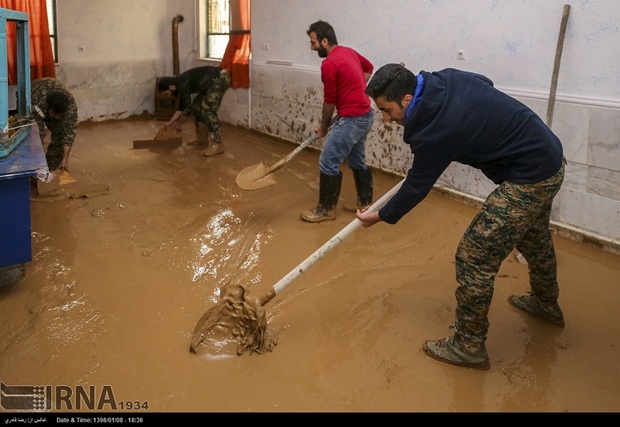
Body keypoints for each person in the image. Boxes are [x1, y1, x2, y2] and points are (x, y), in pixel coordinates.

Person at [359, 63, 566, 371]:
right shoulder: (445, 78)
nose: (386, 119)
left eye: (387, 110)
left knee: (474, 256)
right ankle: (546, 304)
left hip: (530, 176)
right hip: (550, 157)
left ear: (406, 98)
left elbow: (417, 186)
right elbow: (486, 80)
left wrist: (382, 215)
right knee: (534, 238)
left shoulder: (435, 131)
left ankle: (468, 346)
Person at [301, 20, 375, 223]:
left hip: (352, 119)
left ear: (325, 41)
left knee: (328, 162)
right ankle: (365, 204)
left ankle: (326, 210)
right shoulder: (348, 52)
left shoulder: (329, 63)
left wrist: (323, 127)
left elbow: (330, 101)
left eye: (313, 42)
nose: (312, 47)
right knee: (357, 160)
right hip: (365, 115)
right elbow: (369, 67)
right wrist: (357, 88)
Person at [158, 65, 230, 157]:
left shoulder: (181, 83)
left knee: (207, 109)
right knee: (196, 107)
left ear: (171, 87)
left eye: (167, 93)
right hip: (210, 82)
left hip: (220, 78)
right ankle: (202, 140)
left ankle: (218, 144)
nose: (168, 96)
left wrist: (180, 122)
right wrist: (171, 122)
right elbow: (182, 106)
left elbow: (187, 108)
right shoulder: (179, 83)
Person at [31, 78, 79, 172]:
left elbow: (69, 135)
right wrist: (38, 160)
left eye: (60, 115)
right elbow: (36, 135)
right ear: (49, 107)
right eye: (55, 114)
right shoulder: (37, 100)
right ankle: (34, 170)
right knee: (34, 139)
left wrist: (65, 159)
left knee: (60, 136)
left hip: (49, 107)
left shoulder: (70, 107)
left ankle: (50, 169)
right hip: (35, 102)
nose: (57, 118)